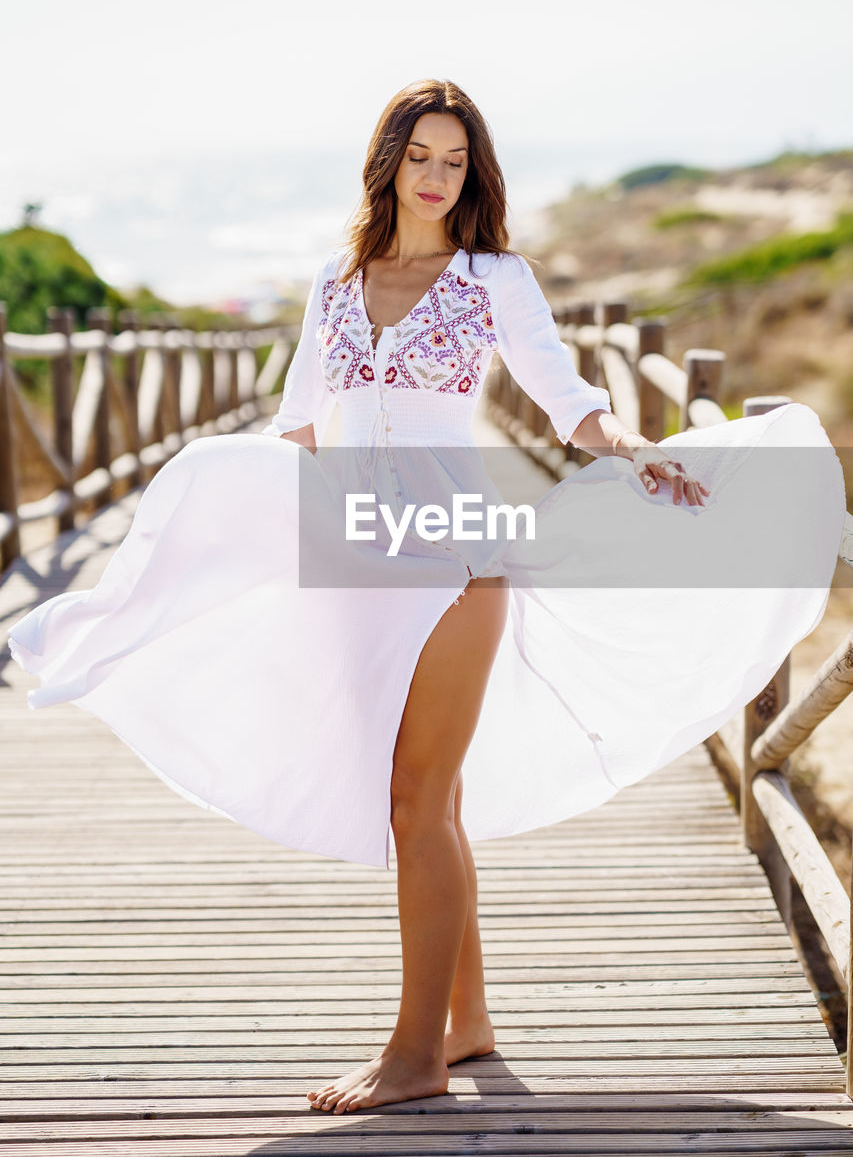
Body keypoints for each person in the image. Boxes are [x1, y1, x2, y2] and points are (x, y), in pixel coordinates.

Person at [6, 79, 845, 1117]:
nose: (439, 176)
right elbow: (299, 426)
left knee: (417, 794)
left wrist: (634, 449)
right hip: (363, 558)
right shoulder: (336, 280)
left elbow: (567, 398)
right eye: (423, 156)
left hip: (457, 556)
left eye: (456, 160)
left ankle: (415, 1054)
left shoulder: (494, 277)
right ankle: (469, 1016)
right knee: (421, 808)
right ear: (390, 160)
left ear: (472, 173)